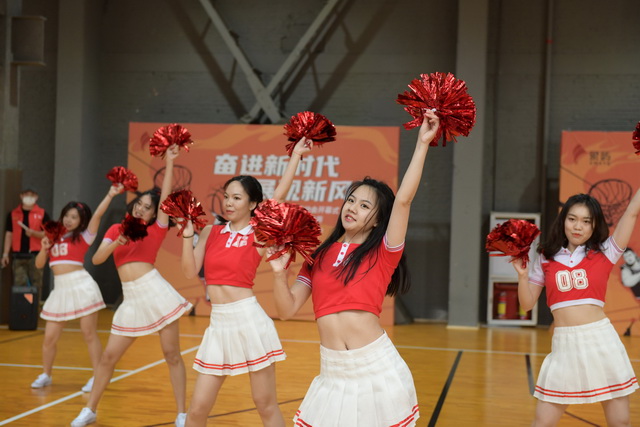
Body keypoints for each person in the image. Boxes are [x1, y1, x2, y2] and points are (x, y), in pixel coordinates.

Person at [267, 110, 440, 427]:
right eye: (351, 200)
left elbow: (403, 201)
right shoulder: (318, 255)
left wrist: (422, 143)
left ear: (377, 220)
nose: (352, 208)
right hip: (332, 374)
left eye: (364, 205)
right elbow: (286, 310)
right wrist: (279, 273)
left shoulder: (383, 252)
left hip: (376, 369)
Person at [179, 138, 311, 427]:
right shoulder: (211, 232)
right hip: (218, 324)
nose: (228, 202)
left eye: (237, 198)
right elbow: (189, 272)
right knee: (197, 409)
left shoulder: (259, 233)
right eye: (227, 196)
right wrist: (188, 235)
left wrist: (296, 156)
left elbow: (279, 196)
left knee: (265, 404)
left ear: (253, 204)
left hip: (249, 321)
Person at [71, 145, 192, 427]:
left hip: (155, 292)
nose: (141, 208)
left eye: (147, 207)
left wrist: (170, 161)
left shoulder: (156, 228)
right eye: (139, 203)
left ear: (154, 214)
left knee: (172, 355)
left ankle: (181, 414)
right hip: (131, 299)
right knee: (109, 357)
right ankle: (90, 410)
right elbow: (97, 259)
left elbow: (166, 197)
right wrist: (118, 241)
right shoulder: (117, 229)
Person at [512, 190, 640, 426]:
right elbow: (527, 304)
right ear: (563, 221)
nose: (578, 226)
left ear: (594, 225)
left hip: (601, 342)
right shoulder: (546, 257)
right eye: (572, 219)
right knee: (542, 422)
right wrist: (522, 276)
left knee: (620, 422)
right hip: (564, 345)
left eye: (586, 221)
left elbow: (631, 212)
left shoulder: (606, 252)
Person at [30, 184, 122, 392]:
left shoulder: (84, 236)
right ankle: (46, 374)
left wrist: (110, 194)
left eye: (74, 217)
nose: (69, 220)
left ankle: (98, 376)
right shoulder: (53, 236)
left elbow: (98, 215)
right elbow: (39, 264)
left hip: (81, 286)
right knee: (49, 338)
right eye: (67, 215)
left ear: (81, 221)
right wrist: (44, 249)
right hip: (60, 290)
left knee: (89, 333)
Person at [2, 189, 50, 300]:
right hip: (18, 255)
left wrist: (34, 233)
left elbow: (48, 234)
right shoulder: (13, 214)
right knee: (19, 285)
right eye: (26, 195)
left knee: (36, 284)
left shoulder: (42, 213)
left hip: (36, 255)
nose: (29, 197)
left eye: (32, 195)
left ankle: (34, 308)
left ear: (36, 197)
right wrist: (5, 254)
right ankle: (22, 307)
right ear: (21, 196)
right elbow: (9, 234)